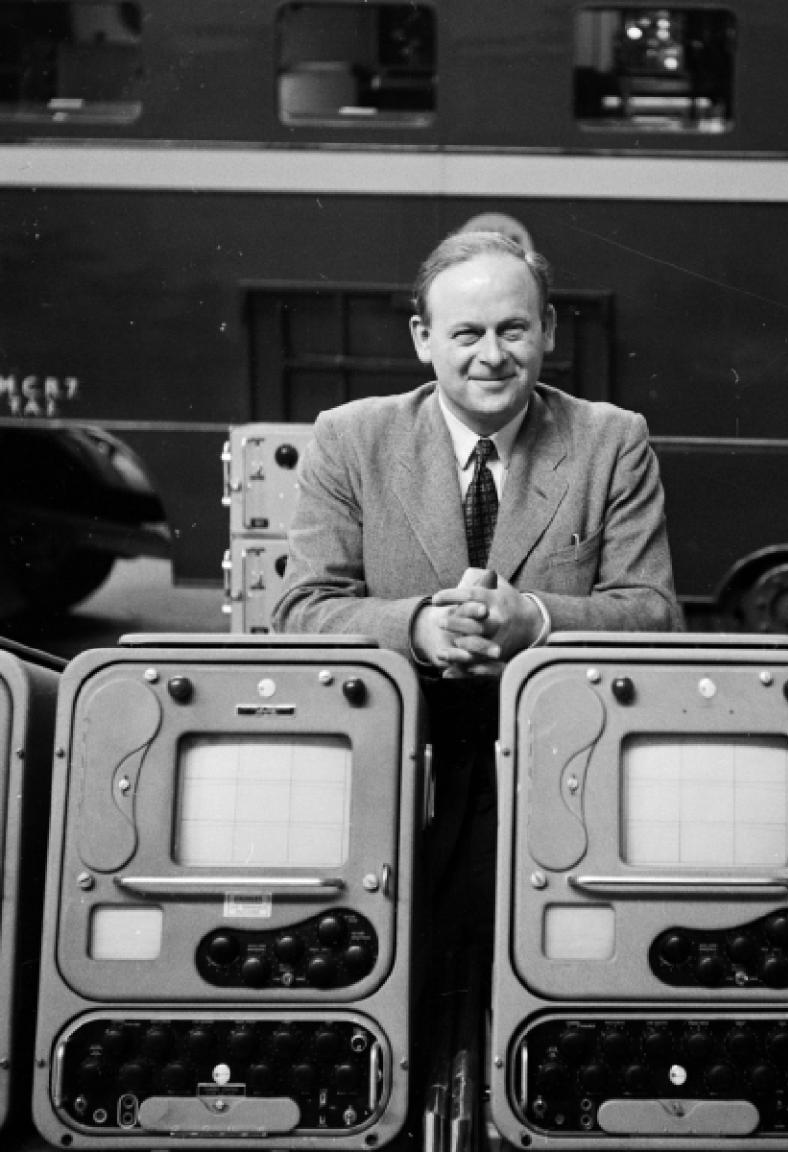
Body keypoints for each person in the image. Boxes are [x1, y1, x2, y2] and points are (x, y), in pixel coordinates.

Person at [272, 229, 681, 947]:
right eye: (466, 333)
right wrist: (419, 630)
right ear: (422, 338)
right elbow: (299, 612)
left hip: (562, 785)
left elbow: (654, 614)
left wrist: (536, 623)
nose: (492, 356)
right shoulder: (349, 439)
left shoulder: (612, 442)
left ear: (548, 330)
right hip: (391, 786)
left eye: (513, 329)